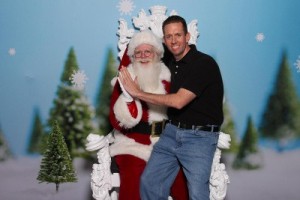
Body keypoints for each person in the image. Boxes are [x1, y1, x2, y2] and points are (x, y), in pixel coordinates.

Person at [119, 15, 224, 200]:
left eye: (178, 35)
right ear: (164, 39)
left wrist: (138, 93)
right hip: (172, 132)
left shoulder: (203, 64)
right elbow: (143, 51)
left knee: (198, 193)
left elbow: (178, 101)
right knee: (150, 183)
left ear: (187, 36)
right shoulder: (169, 61)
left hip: (199, 138)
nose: (174, 40)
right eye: (168, 36)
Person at [109, 30, 188, 200]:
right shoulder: (124, 78)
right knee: (133, 174)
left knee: (181, 177)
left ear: (157, 54)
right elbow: (117, 120)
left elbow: (183, 108)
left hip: (166, 142)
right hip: (132, 143)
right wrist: (128, 98)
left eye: (148, 51)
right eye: (138, 52)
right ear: (133, 55)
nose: (143, 56)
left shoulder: (169, 77)